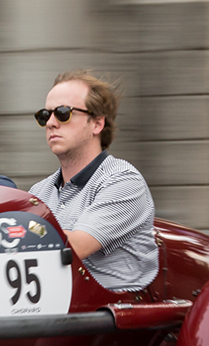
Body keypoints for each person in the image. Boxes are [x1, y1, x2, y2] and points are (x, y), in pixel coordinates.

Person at [27, 70, 157, 294]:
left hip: (111, 317)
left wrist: (20, 229)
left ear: (97, 124)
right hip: (53, 310)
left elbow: (73, 246)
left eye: (63, 113)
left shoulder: (123, 180)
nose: (50, 123)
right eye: (44, 115)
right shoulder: (39, 191)